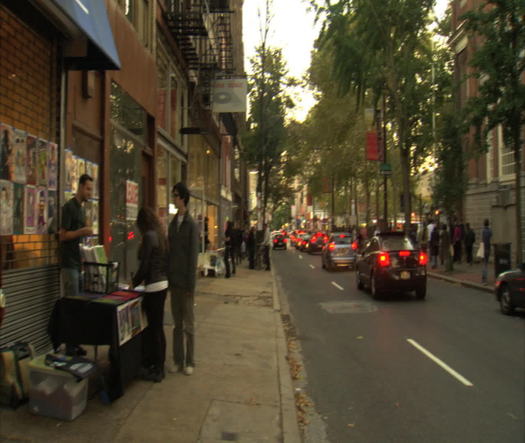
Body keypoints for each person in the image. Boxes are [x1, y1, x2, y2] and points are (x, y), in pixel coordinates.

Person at [132, 207, 168, 383]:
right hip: (162, 284)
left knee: (153, 328)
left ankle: (157, 367)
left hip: (153, 286)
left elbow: (145, 266)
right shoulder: (160, 235)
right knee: (158, 327)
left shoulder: (148, 236)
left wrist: (134, 283)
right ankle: (159, 364)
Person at [58, 174, 93, 356]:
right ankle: (70, 344)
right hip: (69, 263)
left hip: (78, 263)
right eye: (87, 188)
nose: (90, 192)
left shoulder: (81, 209)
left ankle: (75, 342)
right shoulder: (70, 207)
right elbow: (63, 235)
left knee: (78, 304)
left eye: (91, 189)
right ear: (80, 187)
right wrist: (82, 231)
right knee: (71, 304)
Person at [167, 183, 199, 376]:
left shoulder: (191, 225)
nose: (174, 198)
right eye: (173, 195)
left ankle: (190, 361)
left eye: (176, 195)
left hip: (186, 283)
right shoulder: (173, 224)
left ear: (184, 198)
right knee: (176, 324)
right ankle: (177, 360)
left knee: (188, 324)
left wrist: (191, 285)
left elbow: (193, 257)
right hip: (174, 281)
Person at [481, 219, 492, 284]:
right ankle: (484, 278)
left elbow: (482, 239)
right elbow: (491, 236)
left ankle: (484, 279)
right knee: (486, 263)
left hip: (483, 248)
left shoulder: (483, 231)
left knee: (484, 264)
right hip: (488, 248)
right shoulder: (490, 231)